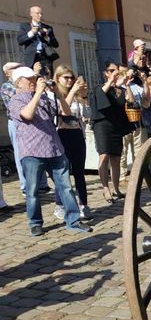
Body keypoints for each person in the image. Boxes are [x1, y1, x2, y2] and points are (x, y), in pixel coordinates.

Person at [7, 67, 92, 235]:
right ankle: (35, 223)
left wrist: (58, 94)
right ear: (19, 82)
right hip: (32, 151)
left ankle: (73, 220)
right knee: (32, 191)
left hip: (54, 148)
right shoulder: (16, 100)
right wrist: (38, 93)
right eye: (30, 79)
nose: (34, 81)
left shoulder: (45, 98)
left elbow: (65, 113)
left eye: (35, 78)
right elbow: (27, 115)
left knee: (66, 188)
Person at [3, 62, 51, 195]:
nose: (19, 69)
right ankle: (26, 186)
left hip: (36, 119)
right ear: (8, 73)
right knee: (22, 154)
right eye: (15, 69)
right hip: (17, 122)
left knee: (40, 151)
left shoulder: (30, 83)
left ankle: (42, 184)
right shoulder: (7, 86)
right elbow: (23, 96)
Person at [51, 64, 91, 220]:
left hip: (77, 134)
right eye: (65, 77)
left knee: (80, 171)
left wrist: (84, 96)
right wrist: (73, 91)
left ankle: (84, 204)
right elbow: (62, 111)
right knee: (63, 172)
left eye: (71, 77)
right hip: (62, 134)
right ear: (58, 78)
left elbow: (87, 114)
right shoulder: (54, 94)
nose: (69, 80)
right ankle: (60, 204)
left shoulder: (77, 95)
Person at [90, 60, 129, 204]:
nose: (115, 72)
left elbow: (129, 101)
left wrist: (126, 84)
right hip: (102, 125)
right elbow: (100, 96)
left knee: (116, 159)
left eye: (117, 70)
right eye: (112, 70)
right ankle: (105, 187)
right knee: (104, 155)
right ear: (106, 73)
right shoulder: (99, 87)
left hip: (116, 126)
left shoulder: (119, 89)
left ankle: (116, 188)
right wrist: (111, 81)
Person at [16, 6, 59, 77]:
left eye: (41, 14)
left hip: (45, 57)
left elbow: (56, 44)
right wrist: (31, 33)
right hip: (31, 58)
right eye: (37, 13)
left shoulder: (48, 28)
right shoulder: (25, 26)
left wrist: (47, 37)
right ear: (31, 14)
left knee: (46, 79)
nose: (40, 16)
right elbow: (20, 41)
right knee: (32, 78)